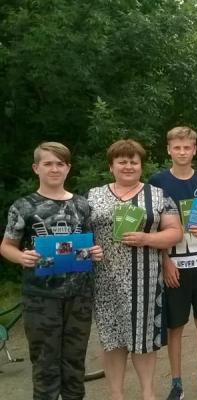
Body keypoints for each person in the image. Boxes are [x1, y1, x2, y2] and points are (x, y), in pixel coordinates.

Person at [1, 142, 103, 400]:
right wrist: (21, 256)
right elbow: (6, 246)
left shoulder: (82, 205)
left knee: (75, 364)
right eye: (48, 164)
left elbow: (86, 245)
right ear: (36, 168)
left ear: (68, 168)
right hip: (40, 298)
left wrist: (94, 252)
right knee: (45, 366)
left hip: (79, 297)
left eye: (60, 164)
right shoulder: (23, 206)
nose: (54, 169)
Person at [88, 139, 183, 400]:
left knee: (144, 340)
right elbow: (81, 233)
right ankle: (116, 395)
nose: (128, 166)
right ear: (111, 166)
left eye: (134, 161)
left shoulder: (159, 195)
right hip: (105, 279)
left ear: (141, 166)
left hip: (145, 280)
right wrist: (87, 250)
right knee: (112, 340)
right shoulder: (92, 196)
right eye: (122, 161)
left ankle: (148, 393)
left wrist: (147, 238)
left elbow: (175, 232)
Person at [148, 127, 197, 400]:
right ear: (168, 149)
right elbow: (154, 226)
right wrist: (165, 260)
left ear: (194, 150)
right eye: (177, 147)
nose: (182, 152)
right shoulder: (157, 181)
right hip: (174, 263)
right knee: (175, 326)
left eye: (187, 147)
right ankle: (176, 384)